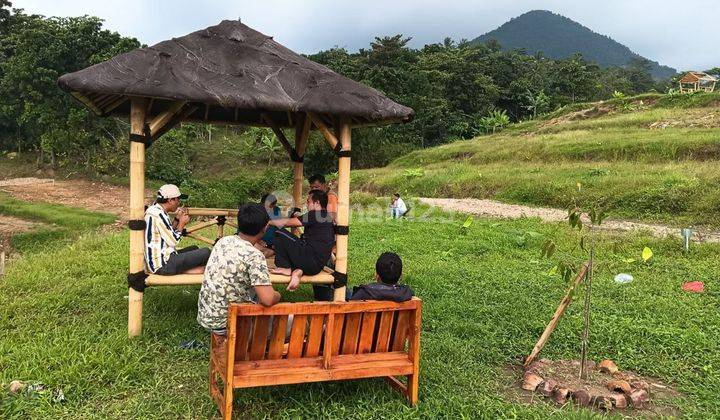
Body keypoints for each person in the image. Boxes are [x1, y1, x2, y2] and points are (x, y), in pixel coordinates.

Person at [197, 203, 281, 334]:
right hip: (229, 325)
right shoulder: (254, 256)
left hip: (206, 318)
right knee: (293, 322)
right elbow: (268, 300)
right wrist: (277, 295)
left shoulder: (223, 242)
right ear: (265, 228)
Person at [268, 189, 335, 294]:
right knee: (293, 240)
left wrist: (268, 222)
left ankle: (287, 268)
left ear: (317, 202)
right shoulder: (326, 216)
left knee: (279, 232)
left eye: (308, 201)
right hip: (316, 266)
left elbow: (289, 223)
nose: (306, 204)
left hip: (309, 258)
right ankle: (298, 270)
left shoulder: (315, 214)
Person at [144, 184, 210, 275]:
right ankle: (187, 270)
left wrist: (177, 219)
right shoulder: (158, 215)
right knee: (206, 252)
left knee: (194, 248)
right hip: (162, 265)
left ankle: (185, 270)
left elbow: (167, 233)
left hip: (164, 258)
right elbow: (173, 241)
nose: (179, 203)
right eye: (178, 199)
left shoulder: (156, 210)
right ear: (170, 200)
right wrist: (182, 224)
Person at [255, 193, 281, 258]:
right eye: (268, 207)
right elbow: (245, 232)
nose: (270, 209)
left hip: (270, 243)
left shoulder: (276, 210)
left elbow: (278, 228)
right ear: (261, 204)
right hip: (255, 242)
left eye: (272, 207)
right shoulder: (254, 210)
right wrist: (257, 240)